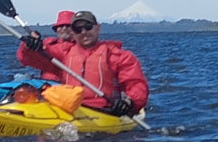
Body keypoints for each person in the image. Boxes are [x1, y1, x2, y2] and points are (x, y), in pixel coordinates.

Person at [16, 10, 149, 116]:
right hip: (69, 109)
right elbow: (28, 58)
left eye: (88, 27)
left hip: (104, 112)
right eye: (78, 29)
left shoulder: (118, 56)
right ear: (73, 33)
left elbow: (137, 85)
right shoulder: (64, 54)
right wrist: (29, 46)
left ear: (97, 28)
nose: (84, 32)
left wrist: (129, 102)